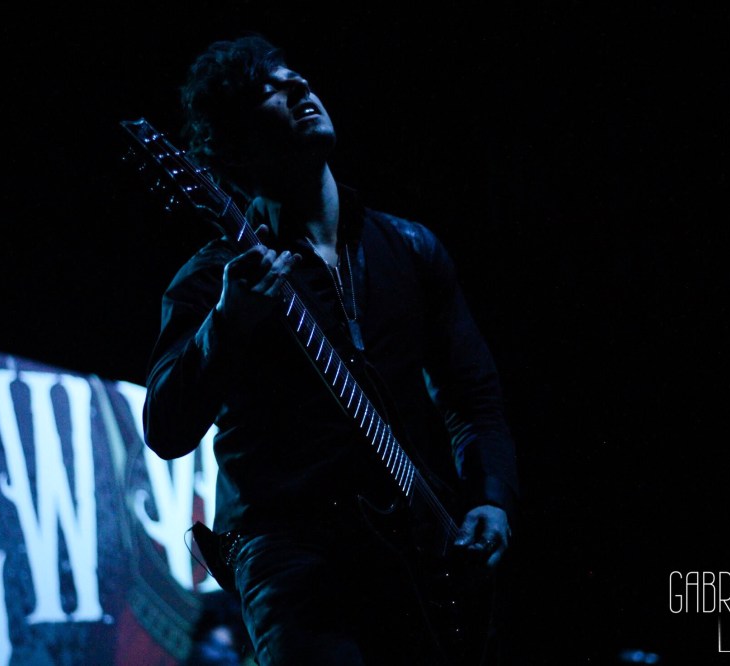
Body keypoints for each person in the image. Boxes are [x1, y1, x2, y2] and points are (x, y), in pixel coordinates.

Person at [142, 33, 521, 665]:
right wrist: (228, 323)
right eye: (267, 89)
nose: (297, 86)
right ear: (236, 145)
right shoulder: (213, 279)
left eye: (295, 76)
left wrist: (490, 496)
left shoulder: (410, 248)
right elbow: (165, 427)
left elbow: (472, 395)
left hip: (421, 554)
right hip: (292, 559)